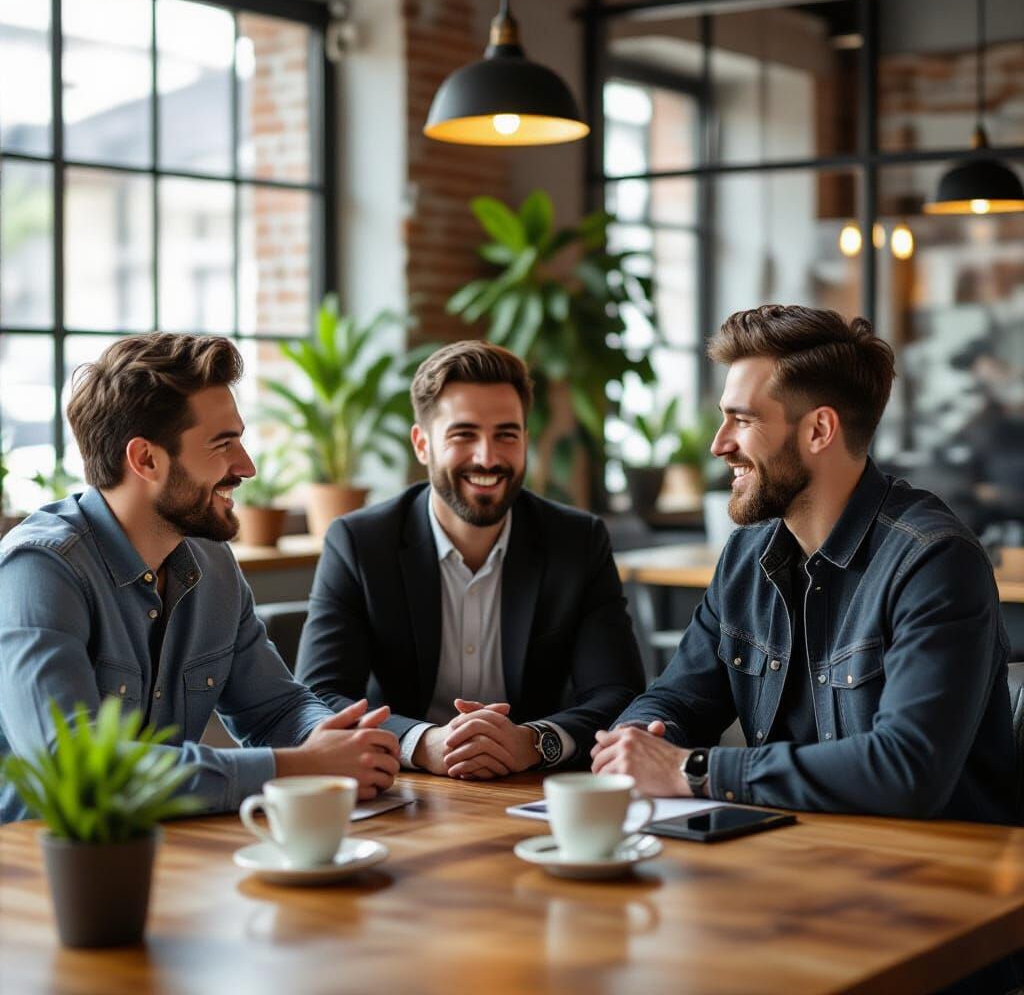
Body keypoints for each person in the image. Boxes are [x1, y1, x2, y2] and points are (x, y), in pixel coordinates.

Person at [593, 304, 1017, 826]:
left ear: (819, 430)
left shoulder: (934, 562)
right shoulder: (748, 553)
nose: (719, 444)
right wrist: (636, 742)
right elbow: (679, 696)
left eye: (743, 420)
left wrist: (695, 770)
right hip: (794, 861)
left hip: (933, 881)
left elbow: (907, 770)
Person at [0, 333, 399, 823]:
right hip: (39, 874)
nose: (246, 466)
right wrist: (293, 767)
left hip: (168, 856)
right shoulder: (39, 570)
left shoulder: (211, 562)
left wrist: (331, 739)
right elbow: (75, 770)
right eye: (222, 444)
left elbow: (275, 708)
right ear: (145, 459)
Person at [296, 340, 645, 780]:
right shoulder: (360, 542)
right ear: (422, 444)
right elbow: (320, 694)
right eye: (464, 434)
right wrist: (421, 743)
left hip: (536, 787)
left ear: (526, 441)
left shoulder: (577, 541)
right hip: (405, 786)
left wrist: (535, 741)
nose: (488, 457)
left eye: (506, 434)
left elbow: (618, 692)